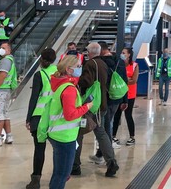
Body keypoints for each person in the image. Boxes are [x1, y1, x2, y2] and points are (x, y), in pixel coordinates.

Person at [37, 56, 92, 189]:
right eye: (78, 67)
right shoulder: (69, 89)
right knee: (61, 175)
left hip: (57, 134)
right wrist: (87, 107)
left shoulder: (59, 85)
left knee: (59, 173)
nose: (81, 69)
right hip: (65, 137)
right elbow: (70, 115)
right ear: (69, 69)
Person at [72, 42, 119, 177]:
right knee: (101, 133)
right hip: (102, 104)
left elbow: (86, 82)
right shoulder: (103, 64)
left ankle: (75, 165)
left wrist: (77, 81)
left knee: (79, 133)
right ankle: (111, 162)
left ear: (90, 52)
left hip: (90, 105)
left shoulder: (90, 64)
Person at [24, 48, 57, 189]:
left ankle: (36, 180)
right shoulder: (59, 71)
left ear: (41, 59)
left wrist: (28, 118)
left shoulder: (40, 74)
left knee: (39, 148)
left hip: (40, 115)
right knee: (59, 148)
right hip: (56, 115)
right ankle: (58, 177)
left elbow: (34, 98)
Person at [97, 41, 128, 149]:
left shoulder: (99, 62)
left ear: (101, 50)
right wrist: (125, 100)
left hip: (104, 97)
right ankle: (104, 150)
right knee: (108, 122)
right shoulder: (119, 61)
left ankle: (106, 151)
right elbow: (124, 81)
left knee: (105, 125)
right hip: (117, 96)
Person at [113, 47, 139, 146]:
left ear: (129, 55)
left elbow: (134, 80)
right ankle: (113, 136)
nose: (122, 54)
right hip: (119, 93)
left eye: (124, 53)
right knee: (117, 115)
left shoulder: (135, 65)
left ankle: (132, 137)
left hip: (130, 94)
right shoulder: (118, 65)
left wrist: (124, 80)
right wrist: (126, 79)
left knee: (128, 115)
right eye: (121, 52)